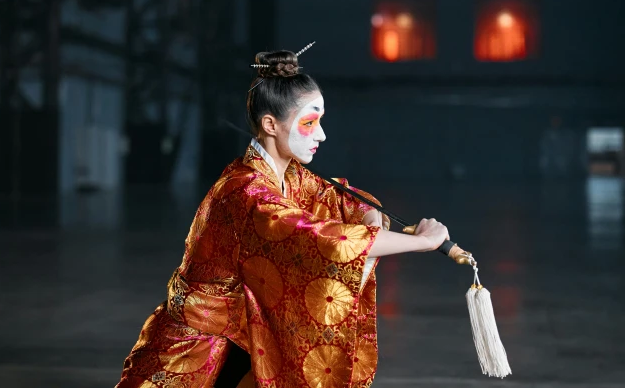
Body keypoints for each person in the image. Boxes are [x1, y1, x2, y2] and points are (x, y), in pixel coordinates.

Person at [115, 48, 449, 388]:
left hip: (243, 341)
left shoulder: (288, 176)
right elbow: (326, 240)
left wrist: (370, 218)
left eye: (320, 121)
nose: (321, 135)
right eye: (309, 122)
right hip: (195, 350)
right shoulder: (247, 192)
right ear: (270, 124)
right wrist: (422, 241)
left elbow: (344, 196)